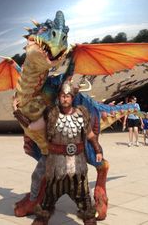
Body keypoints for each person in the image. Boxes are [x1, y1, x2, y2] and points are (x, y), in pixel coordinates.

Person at [33, 81, 102, 225]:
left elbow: (90, 135)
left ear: (72, 98)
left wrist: (98, 149)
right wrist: (17, 111)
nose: (65, 98)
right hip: (56, 168)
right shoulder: (51, 114)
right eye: (63, 96)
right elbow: (31, 126)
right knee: (46, 203)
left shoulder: (82, 114)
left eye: (68, 96)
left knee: (86, 205)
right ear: (59, 97)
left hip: (78, 168)